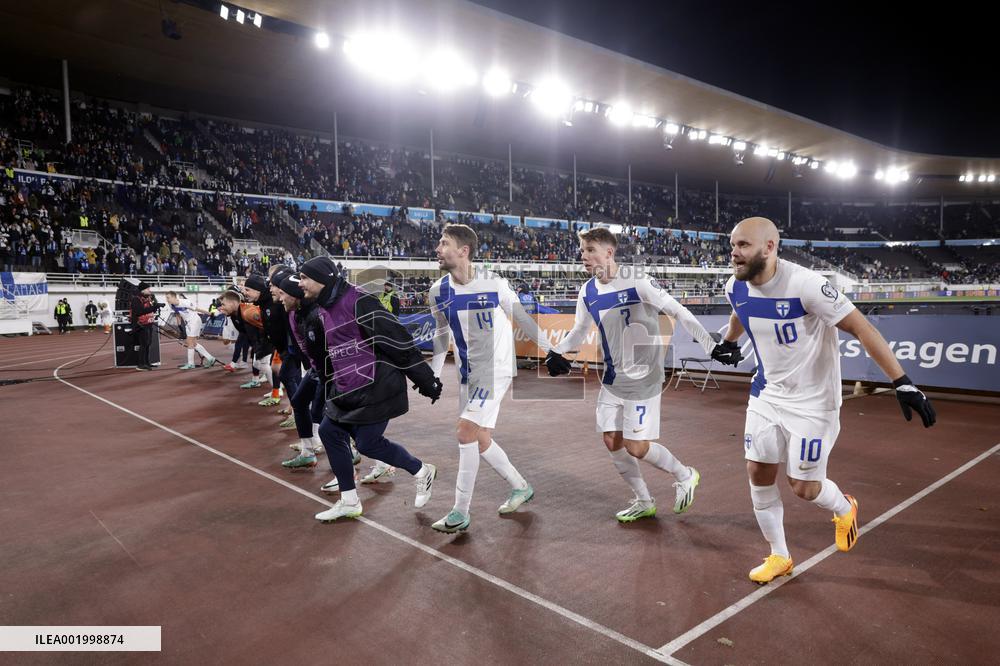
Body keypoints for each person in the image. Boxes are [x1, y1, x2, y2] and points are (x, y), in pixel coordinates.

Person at [716, 217, 936, 584]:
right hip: (766, 394)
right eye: (733, 245)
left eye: (743, 245)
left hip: (813, 402)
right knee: (758, 472)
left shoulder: (807, 285)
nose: (734, 253)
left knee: (803, 488)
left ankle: (844, 506)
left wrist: (902, 381)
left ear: (770, 247)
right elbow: (740, 311)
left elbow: (862, 328)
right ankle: (779, 556)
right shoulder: (735, 286)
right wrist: (729, 340)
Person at [545, 227, 739, 523]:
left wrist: (711, 345)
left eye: (589, 250)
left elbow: (678, 311)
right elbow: (579, 331)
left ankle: (685, 475)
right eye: (582, 251)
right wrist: (558, 351)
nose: (583, 256)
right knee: (612, 440)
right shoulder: (588, 291)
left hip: (643, 378)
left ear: (608, 252)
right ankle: (643, 500)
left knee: (636, 447)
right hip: (612, 379)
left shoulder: (637, 280)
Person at [296, 256, 442, 522]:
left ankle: (422, 470)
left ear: (322, 279)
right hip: (347, 386)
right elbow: (333, 353)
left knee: (367, 443)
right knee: (329, 431)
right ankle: (349, 501)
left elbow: (398, 340)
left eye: (304, 277)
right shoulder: (322, 308)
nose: (300, 283)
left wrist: (426, 380)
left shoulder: (360, 301)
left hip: (377, 384)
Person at [426, 224, 549, 533]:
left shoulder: (493, 283)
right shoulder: (438, 291)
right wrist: (434, 374)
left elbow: (521, 316)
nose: (438, 249)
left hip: (495, 368)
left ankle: (459, 511)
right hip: (469, 372)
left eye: (444, 243)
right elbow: (442, 333)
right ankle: (520, 486)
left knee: (465, 431)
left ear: (463, 251)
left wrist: (551, 351)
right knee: (480, 438)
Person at [165, 291, 217, 369]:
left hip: (194, 321)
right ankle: (210, 358)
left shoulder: (185, 302)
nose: (167, 299)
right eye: (166, 298)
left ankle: (191, 364)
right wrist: (180, 327)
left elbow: (197, 309)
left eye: (168, 298)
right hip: (188, 323)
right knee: (194, 343)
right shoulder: (171, 305)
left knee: (189, 342)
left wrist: (210, 314)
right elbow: (178, 314)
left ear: (174, 297)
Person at [130, 282, 160, 371]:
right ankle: (141, 364)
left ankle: (147, 363)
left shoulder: (148, 298)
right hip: (141, 325)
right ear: (143, 290)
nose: (149, 290)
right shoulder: (136, 299)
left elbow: (149, 309)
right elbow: (139, 311)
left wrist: (156, 306)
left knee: (147, 344)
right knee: (143, 345)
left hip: (148, 324)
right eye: (148, 289)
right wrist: (154, 308)